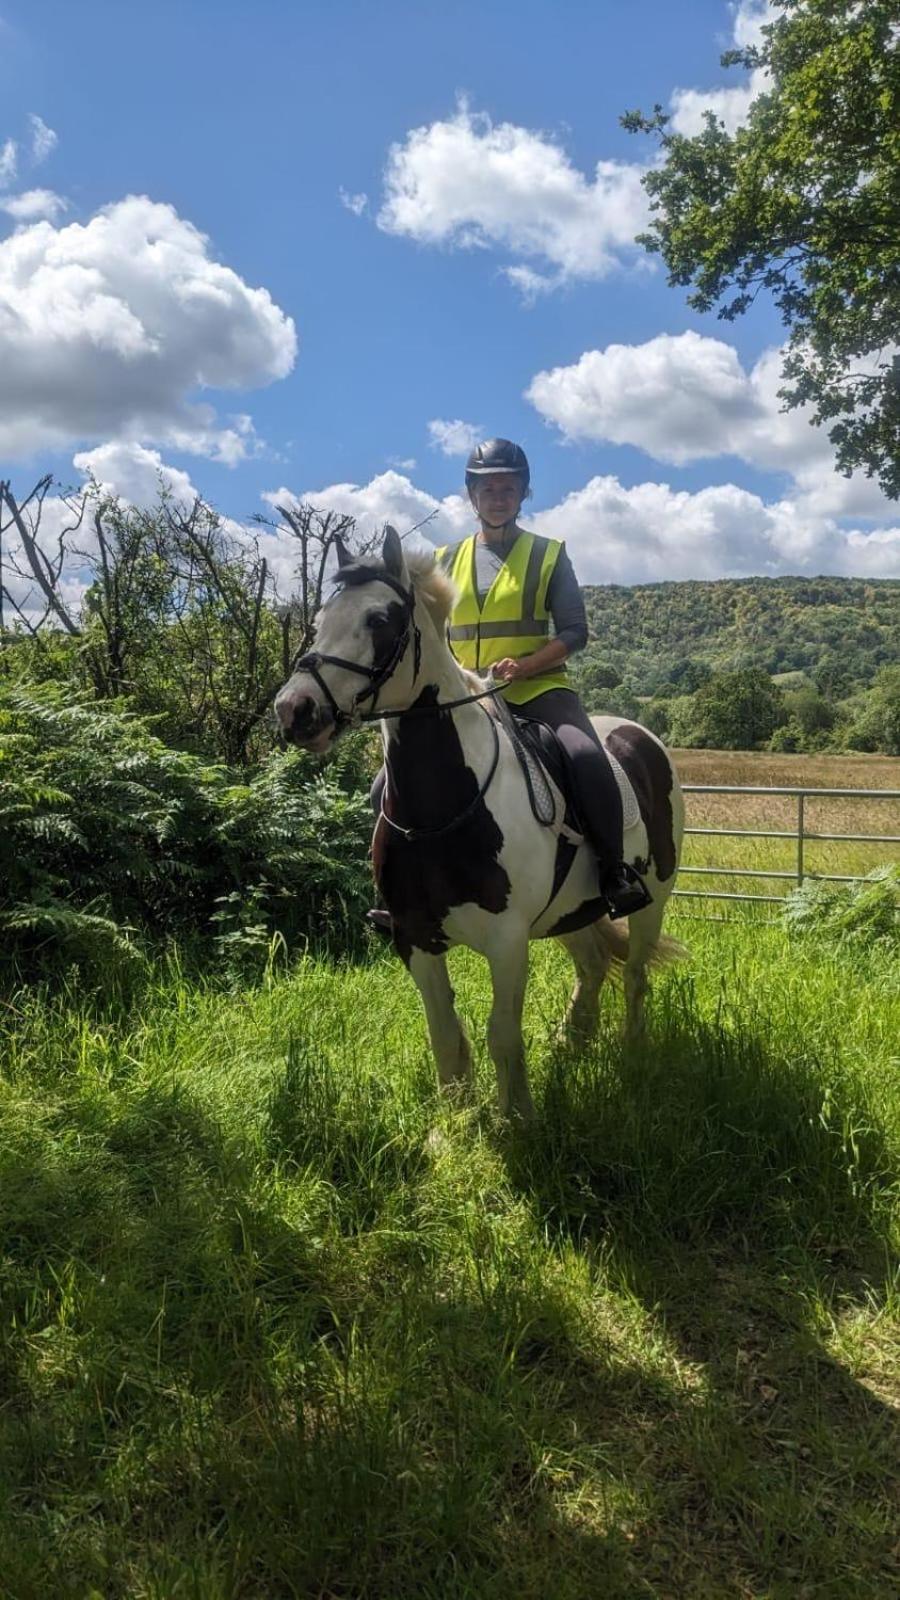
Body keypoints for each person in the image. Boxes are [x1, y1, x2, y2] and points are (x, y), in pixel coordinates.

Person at [367, 438, 652, 930]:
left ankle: (613, 873)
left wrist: (527, 666)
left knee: (585, 757)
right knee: (383, 785)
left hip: (539, 691)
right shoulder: (441, 559)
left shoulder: (549, 554)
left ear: (523, 494)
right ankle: (401, 893)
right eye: (488, 488)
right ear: (471, 494)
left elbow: (574, 632)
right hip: (462, 699)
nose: (498, 497)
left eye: (508, 488)